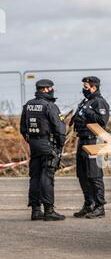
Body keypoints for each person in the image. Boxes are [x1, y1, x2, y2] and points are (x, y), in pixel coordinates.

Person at [20, 79, 66, 221]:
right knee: (47, 177)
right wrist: (59, 145)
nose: (52, 90)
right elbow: (60, 129)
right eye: (51, 88)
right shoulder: (50, 106)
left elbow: (23, 128)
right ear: (45, 89)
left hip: (34, 144)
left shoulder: (28, 105)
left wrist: (31, 141)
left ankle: (35, 210)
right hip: (48, 145)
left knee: (35, 177)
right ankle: (49, 210)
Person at [71, 76, 110, 219]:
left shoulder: (99, 102)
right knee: (82, 175)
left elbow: (102, 121)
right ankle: (89, 204)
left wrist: (88, 112)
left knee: (94, 175)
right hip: (82, 140)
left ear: (94, 87)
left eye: (86, 87)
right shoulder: (85, 102)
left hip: (93, 141)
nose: (84, 89)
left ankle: (100, 206)